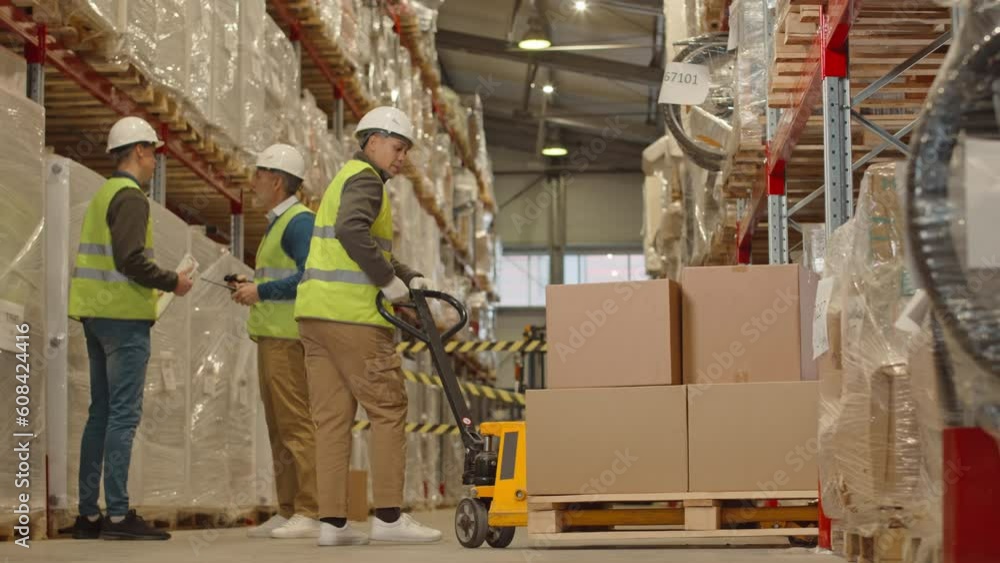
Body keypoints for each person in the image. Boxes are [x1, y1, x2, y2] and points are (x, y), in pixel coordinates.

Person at [294, 106, 441, 546]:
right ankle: (390, 517)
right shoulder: (366, 181)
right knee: (388, 409)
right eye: (398, 148)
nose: (401, 159)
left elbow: (361, 241)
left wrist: (408, 275)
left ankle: (333, 525)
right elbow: (351, 231)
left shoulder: (344, 180)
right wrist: (387, 282)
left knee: (332, 420)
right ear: (372, 141)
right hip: (353, 318)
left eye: (406, 151)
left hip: (315, 317)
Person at [67, 116, 195, 540]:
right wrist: (173, 282)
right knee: (122, 416)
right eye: (154, 152)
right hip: (123, 320)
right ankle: (118, 516)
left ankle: (89, 516)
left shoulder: (105, 193)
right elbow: (130, 261)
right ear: (139, 150)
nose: (156, 160)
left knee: (100, 415)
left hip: (95, 316)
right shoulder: (131, 197)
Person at [229, 144, 321, 539]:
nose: (252, 184)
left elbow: (309, 275)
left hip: (289, 338)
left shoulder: (298, 222)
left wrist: (261, 291)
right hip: (272, 338)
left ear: (277, 180)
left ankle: (311, 510)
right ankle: (289, 508)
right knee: (279, 427)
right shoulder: (280, 222)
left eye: (258, 175)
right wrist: (253, 288)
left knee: (296, 425)